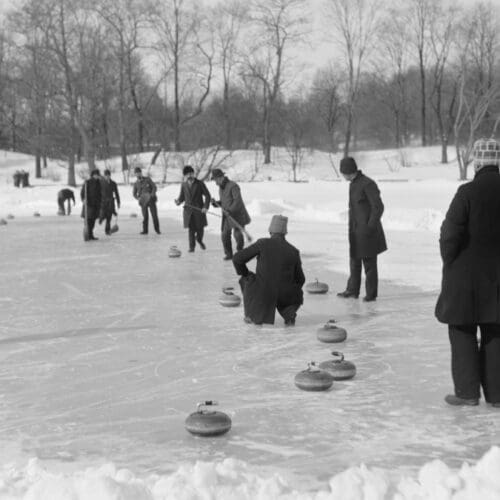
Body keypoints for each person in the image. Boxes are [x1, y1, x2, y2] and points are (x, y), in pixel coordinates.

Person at [435, 137, 500, 408]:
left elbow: (450, 233)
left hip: (465, 278)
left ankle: (467, 392)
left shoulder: (467, 193)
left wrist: (449, 260)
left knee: (462, 331)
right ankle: (497, 396)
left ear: (478, 162)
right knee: (496, 334)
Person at [233, 215, 305, 326]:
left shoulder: (263, 243)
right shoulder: (293, 251)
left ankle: (253, 314)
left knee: (246, 279)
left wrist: (246, 274)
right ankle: (289, 313)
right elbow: (301, 279)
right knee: (293, 290)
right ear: (285, 232)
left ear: (270, 230)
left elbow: (237, 259)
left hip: (263, 293)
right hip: (285, 295)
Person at [336, 156, 387, 302]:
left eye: (343, 173)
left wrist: (369, 226)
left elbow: (378, 207)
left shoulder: (368, 184)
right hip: (355, 231)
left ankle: (371, 294)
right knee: (354, 261)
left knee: (369, 265)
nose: (343, 176)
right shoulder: (353, 183)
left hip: (367, 232)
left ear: (348, 171)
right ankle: (352, 290)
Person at [211, 168, 251, 260]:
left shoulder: (233, 186)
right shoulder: (221, 188)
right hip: (227, 215)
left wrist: (230, 210)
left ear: (221, 177)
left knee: (237, 234)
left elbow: (238, 201)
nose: (215, 182)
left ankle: (239, 251)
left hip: (237, 214)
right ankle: (229, 254)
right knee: (224, 234)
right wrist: (216, 203)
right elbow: (224, 201)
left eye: (215, 180)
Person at [175, 165, 211, 251]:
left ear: (193, 174)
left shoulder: (200, 184)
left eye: (191, 174)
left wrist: (205, 207)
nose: (190, 176)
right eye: (188, 174)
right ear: (185, 176)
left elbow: (207, 196)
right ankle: (191, 247)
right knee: (191, 230)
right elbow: (182, 197)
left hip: (199, 210)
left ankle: (199, 240)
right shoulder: (184, 185)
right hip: (188, 211)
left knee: (200, 229)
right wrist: (178, 201)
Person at [133, 166, 160, 235]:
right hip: (143, 201)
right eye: (136, 173)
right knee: (145, 216)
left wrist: (152, 194)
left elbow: (154, 187)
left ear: (141, 173)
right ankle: (145, 230)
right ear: (135, 174)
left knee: (154, 215)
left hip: (151, 200)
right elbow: (134, 193)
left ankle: (157, 230)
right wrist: (138, 198)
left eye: (139, 173)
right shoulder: (136, 183)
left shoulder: (147, 179)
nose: (138, 174)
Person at [80, 169, 102, 241]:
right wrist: (83, 199)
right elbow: (83, 192)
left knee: (93, 221)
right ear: (92, 175)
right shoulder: (88, 182)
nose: (96, 176)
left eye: (97, 175)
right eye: (95, 175)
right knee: (88, 220)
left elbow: (100, 193)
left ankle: (91, 235)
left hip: (96, 204)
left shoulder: (99, 182)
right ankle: (88, 234)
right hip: (89, 204)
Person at [99, 169, 120, 235]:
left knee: (109, 217)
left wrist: (118, 202)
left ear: (110, 176)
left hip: (111, 201)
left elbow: (116, 193)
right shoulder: (100, 183)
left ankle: (107, 230)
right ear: (104, 176)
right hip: (103, 201)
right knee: (103, 214)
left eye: (108, 175)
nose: (107, 177)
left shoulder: (113, 183)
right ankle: (101, 219)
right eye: (106, 175)